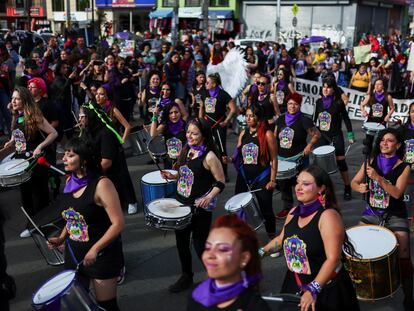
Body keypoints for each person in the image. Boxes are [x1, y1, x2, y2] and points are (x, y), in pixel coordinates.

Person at [262, 165, 360, 311]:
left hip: (326, 288)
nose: (298, 187)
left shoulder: (328, 216)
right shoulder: (294, 212)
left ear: (321, 189)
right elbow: (281, 239)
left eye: (306, 184)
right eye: (298, 182)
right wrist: (260, 253)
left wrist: (313, 289)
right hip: (295, 281)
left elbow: (333, 259)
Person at [48, 137, 124, 311]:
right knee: (80, 304)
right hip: (74, 254)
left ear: (84, 160)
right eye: (64, 154)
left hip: (101, 256)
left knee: (106, 307)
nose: (64, 158)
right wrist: (61, 238)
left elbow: (118, 223)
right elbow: (74, 217)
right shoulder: (69, 182)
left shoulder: (102, 185)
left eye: (70, 155)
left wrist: (95, 249)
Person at [160, 118, 225, 293]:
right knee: (181, 242)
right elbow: (184, 173)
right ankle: (186, 276)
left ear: (203, 135)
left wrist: (209, 197)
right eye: (188, 132)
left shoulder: (210, 156)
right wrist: (173, 176)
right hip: (181, 204)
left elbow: (221, 182)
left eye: (194, 133)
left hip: (199, 208)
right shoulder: (186, 149)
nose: (189, 136)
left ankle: (216, 278)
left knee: (199, 245)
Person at [351, 128, 413, 310]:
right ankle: (365, 288)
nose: (384, 143)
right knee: (354, 246)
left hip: (395, 215)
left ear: (398, 145)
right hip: (371, 212)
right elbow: (355, 182)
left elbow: (397, 192)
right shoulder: (370, 161)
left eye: (390, 140)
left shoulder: (404, 166)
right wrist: (359, 188)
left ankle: (409, 298)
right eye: (382, 140)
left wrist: (377, 178)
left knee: (403, 257)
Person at [4, 87, 58, 237]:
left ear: (25, 100)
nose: (13, 101)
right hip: (22, 160)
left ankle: (43, 224)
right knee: (25, 194)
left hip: (35, 160)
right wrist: (11, 141)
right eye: (12, 98)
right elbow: (18, 134)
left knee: (39, 194)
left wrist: (40, 146)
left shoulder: (34, 116)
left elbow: (53, 133)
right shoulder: (17, 115)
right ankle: (31, 225)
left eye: (17, 99)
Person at [188, 214, 271, 310]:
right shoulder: (197, 294)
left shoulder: (254, 306)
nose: (210, 255)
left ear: (243, 258)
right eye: (207, 247)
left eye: (222, 249)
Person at [226, 105, 278, 239]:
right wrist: (230, 159)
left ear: (258, 118)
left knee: (266, 209)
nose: (248, 118)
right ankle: (243, 236)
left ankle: (272, 238)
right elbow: (238, 154)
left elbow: (274, 158)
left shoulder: (267, 134)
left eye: (252, 116)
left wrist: (272, 180)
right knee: (238, 207)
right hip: (244, 175)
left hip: (262, 176)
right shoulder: (244, 133)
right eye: (247, 115)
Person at [79, 102, 138, 215]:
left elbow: (107, 162)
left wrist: (89, 173)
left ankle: (132, 201)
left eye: (82, 116)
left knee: (122, 181)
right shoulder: (88, 130)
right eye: (79, 116)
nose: (80, 119)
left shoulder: (105, 133)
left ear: (90, 116)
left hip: (113, 165)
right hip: (99, 165)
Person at [275, 93, 321, 218]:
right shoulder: (280, 119)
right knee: (284, 185)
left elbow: (317, 134)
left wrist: (309, 146)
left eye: (295, 104)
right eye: (290, 103)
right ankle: (287, 207)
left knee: (301, 184)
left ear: (299, 106)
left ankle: (303, 207)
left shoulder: (304, 120)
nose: (292, 106)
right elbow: (275, 137)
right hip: (282, 158)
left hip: (299, 158)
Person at [313, 78, 354, 201]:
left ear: (333, 89)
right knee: (319, 164)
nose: (325, 89)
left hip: (336, 135)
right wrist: (314, 134)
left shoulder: (338, 102)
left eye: (328, 87)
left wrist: (350, 135)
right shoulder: (318, 102)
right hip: (322, 135)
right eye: (324, 87)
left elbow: (346, 119)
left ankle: (347, 187)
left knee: (341, 161)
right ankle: (322, 190)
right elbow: (314, 119)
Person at [199, 73, 236, 181]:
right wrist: (200, 121)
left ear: (214, 84)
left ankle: (224, 173)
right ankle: (208, 172)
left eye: (208, 82)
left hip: (219, 125)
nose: (205, 84)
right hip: (206, 125)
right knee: (205, 148)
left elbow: (233, 108)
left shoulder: (223, 94)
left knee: (221, 149)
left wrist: (226, 121)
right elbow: (201, 108)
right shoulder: (204, 93)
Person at [360, 78, 394, 152]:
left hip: (382, 122)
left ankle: (377, 159)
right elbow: (362, 105)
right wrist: (363, 111)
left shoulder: (388, 96)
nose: (377, 86)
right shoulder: (370, 95)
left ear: (383, 86)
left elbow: (392, 108)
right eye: (376, 84)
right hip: (371, 121)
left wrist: (388, 116)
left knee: (380, 143)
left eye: (379, 84)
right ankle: (368, 159)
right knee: (368, 143)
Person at [150, 102, 187, 169]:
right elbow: (153, 134)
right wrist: (155, 115)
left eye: (176, 112)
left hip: (183, 161)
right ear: (167, 114)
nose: (174, 115)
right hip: (169, 161)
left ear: (180, 113)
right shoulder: (164, 125)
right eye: (171, 113)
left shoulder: (185, 125)